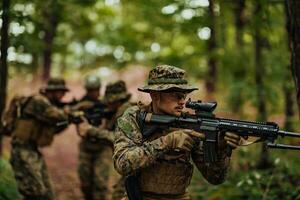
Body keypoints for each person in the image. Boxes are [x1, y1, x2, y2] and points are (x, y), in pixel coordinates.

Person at [113, 65, 243, 200]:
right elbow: (122, 163)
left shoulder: (191, 125)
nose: (182, 101)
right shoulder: (135, 117)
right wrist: (168, 142)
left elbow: (216, 178)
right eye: (176, 95)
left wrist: (220, 149)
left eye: (184, 95)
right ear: (155, 95)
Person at [9, 78, 70, 200]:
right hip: (22, 150)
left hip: (32, 150)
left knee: (47, 194)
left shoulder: (45, 104)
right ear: (52, 91)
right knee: (34, 192)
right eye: (61, 91)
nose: (63, 95)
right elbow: (58, 116)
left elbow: (54, 128)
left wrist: (68, 120)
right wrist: (72, 111)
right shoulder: (39, 101)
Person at [77, 80, 132, 200]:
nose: (107, 105)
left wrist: (92, 130)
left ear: (116, 100)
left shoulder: (127, 112)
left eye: (109, 102)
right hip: (132, 163)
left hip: (137, 164)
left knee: (116, 194)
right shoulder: (119, 110)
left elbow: (118, 138)